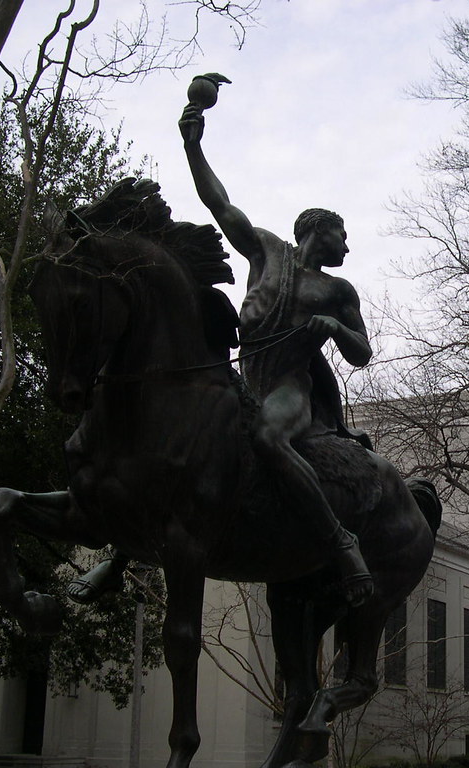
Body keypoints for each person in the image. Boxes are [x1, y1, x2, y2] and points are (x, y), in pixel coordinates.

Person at [176, 102, 375, 606]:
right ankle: (121, 551)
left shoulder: (338, 290)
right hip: (243, 377)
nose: (348, 245)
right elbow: (220, 206)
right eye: (342, 234)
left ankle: (340, 541)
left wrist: (332, 326)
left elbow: (362, 353)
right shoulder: (266, 251)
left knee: (267, 435)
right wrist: (193, 146)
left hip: (290, 385)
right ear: (318, 229)